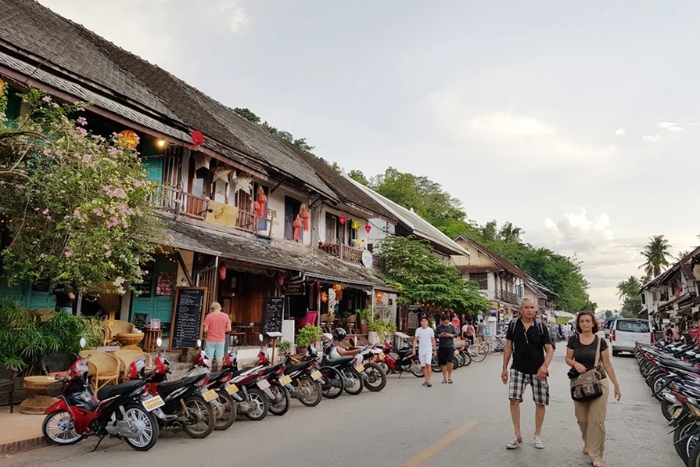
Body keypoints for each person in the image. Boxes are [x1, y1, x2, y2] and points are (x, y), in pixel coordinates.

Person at [565, 311, 622, 467]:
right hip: (579, 383)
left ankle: (596, 455)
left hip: (598, 382)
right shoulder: (573, 340)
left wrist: (616, 386)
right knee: (582, 419)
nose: (584, 324)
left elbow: (608, 365)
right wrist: (575, 364)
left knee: (596, 420)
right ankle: (588, 442)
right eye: (582, 321)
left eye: (587, 321)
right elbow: (568, 358)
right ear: (579, 324)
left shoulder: (600, 342)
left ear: (593, 323)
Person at [501, 298, 554, 450]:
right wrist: (504, 368)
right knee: (514, 400)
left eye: (532, 307)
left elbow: (549, 349)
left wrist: (544, 366)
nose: (530, 310)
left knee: (540, 402)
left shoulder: (540, 326)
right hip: (518, 368)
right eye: (527, 307)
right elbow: (509, 347)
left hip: (538, 370)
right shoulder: (513, 325)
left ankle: (537, 436)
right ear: (521, 309)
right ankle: (517, 435)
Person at [202, 302, 231, 371]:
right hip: (221, 340)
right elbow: (229, 329)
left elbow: (205, 330)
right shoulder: (225, 316)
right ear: (219, 308)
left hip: (210, 340)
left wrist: (211, 330)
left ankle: (208, 374)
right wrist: (221, 330)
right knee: (219, 359)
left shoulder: (209, 316)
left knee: (209, 359)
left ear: (212, 308)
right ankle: (218, 374)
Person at [413, 316, 437, 387]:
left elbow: (433, 340)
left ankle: (429, 380)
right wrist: (413, 349)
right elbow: (415, 339)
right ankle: (426, 380)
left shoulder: (430, 330)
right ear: (420, 322)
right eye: (422, 321)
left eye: (425, 321)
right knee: (423, 366)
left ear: (427, 322)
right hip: (421, 350)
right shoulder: (418, 330)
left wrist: (434, 350)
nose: (424, 322)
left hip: (428, 350)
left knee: (428, 364)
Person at [436, 315, 458, 384]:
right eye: (444, 323)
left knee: (450, 361)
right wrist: (440, 335)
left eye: (446, 322)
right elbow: (435, 335)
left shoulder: (451, 327)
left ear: (449, 321)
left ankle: (450, 377)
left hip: (450, 346)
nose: (445, 324)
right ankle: (444, 378)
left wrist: (450, 335)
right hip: (442, 346)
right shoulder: (439, 327)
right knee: (443, 363)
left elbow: (456, 334)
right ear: (442, 321)